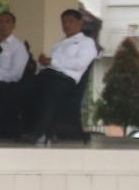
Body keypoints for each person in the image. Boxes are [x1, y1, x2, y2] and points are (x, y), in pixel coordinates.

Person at [38, 9, 99, 142]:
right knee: (27, 87)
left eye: (70, 21)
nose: (67, 25)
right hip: (51, 75)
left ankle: (42, 131)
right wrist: (43, 63)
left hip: (67, 80)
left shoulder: (86, 43)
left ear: (80, 23)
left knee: (49, 89)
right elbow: (51, 64)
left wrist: (52, 62)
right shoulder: (59, 44)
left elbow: (79, 64)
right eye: (64, 22)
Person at [0, 10, 35, 142]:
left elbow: (16, 74)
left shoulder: (18, 47)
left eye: (7, 22)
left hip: (6, 84)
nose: (3, 25)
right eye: (0, 22)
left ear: (14, 26)